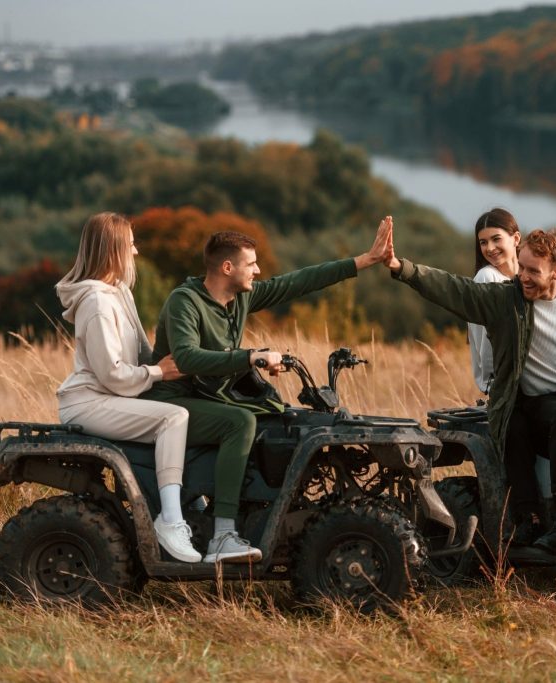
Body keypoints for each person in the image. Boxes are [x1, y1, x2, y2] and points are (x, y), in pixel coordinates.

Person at [142, 219, 394, 563]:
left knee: (282, 417)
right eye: (251, 264)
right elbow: (186, 357)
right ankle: (223, 535)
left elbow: (297, 282)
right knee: (239, 423)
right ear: (227, 267)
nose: (258, 270)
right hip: (174, 403)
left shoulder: (239, 298)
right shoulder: (184, 302)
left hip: (209, 398)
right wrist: (250, 357)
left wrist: (363, 261)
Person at [383, 216, 556, 556]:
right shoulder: (506, 299)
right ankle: (540, 520)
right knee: (536, 422)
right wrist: (401, 268)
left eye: (533, 271)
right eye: (522, 268)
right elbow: (456, 290)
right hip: (529, 397)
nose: (523, 277)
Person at [56, 212, 201, 564]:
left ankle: (190, 502)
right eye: (131, 245)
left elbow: (143, 352)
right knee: (174, 418)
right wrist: (157, 372)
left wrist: (185, 366)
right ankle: (170, 519)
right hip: (90, 402)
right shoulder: (97, 302)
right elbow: (113, 375)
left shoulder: (119, 293)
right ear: (114, 250)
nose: (136, 252)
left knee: (188, 407)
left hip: (112, 396)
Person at [469, 208, 520, 394]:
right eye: (483, 242)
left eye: (496, 239)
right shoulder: (486, 278)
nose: (489, 248)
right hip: (503, 385)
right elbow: (486, 341)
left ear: (516, 238)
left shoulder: (527, 275)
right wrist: (495, 384)